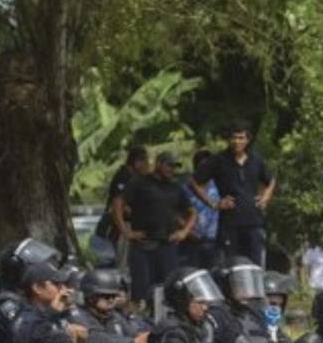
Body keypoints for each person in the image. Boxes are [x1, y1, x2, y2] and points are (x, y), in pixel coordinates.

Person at [189, 120, 276, 267]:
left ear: (248, 139)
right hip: (230, 224)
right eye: (234, 137)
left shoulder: (256, 159)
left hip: (254, 223)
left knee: (255, 267)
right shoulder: (218, 160)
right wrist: (213, 203)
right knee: (231, 267)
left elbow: (270, 180)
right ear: (229, 139)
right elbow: (193, 181)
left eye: (241, 138)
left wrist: (266, 197)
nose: (237, 141)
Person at [114, 151, 194, 308]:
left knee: (169, 290)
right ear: (158, 164)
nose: (172, 170)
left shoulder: (175, 187)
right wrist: (125, 231)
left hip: (167, 246)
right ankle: (137, 320)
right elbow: (118, 203)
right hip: (143, 245)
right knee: (140, 294)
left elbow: (192, 212)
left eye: (174, 167)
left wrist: (184, 232)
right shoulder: (140, 182)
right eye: (169, 166)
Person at [96, 145, 148, 269]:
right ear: (137, 161)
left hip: (131, 227)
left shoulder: (136, 178)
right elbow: (118, 205)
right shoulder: (123, 177)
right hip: (121, 227)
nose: (146, 166)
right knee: (122, 265)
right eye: (144, 162)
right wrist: (125, 230)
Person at [182, 148, 220, 270]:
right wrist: (187, 231)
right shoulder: (185, 188)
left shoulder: (220, 185)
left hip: (215, 240)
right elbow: (175, 212)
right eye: (202, 166)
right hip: (192, 241)